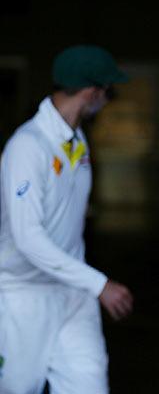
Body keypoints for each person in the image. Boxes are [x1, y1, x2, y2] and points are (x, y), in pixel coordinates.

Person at [0, 45, 134, 393]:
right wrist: (99, 284)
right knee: (18, 387)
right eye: (109, 91)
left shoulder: (76, 140)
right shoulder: (28, 146)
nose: (108, 100)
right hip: (22, 295)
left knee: (88, 385)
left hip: (73, 295)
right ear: (93, 91)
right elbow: (27, 237)